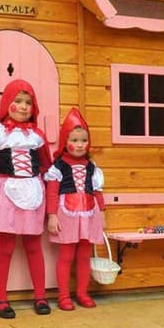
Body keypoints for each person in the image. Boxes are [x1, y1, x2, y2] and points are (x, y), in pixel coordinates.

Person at [0, 79, 53, 318]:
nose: (23, 106)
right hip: (7, 194)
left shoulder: (38, 137)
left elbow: (47, 168)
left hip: (33, 192)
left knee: (34, 247)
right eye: (18, 101)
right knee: (6, 248)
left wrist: (52, 202)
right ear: (7, 104)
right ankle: (0, 298)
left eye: (28, 102)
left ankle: (40, 295)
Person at [45, 107, 105, 310]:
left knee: (84, 255)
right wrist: (52, 216)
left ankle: (82, 292)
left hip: (89, 213)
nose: (79, 145)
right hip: (66, 215)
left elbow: (97, 192)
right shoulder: (58, 167)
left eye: (83, 140)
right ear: (65, 142)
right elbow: (52, 192)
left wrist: (102, 214)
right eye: (74, 140)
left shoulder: (91, 167)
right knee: (66, 255)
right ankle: (63, 296)